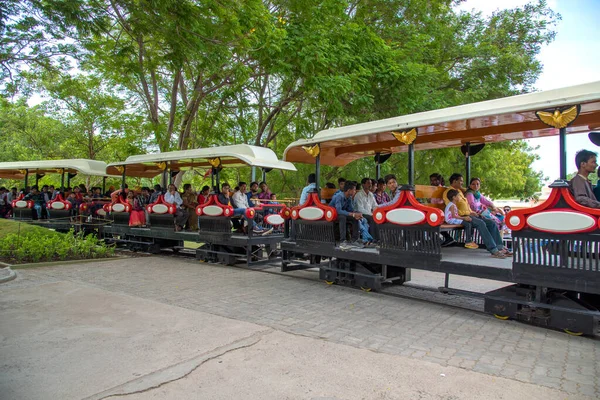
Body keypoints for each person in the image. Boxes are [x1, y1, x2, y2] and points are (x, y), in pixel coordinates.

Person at [443, 173, 511, 258]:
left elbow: (468, 204)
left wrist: (473, 212)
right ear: (454, 181)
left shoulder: (459, 191)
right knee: (480, 223)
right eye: (460, 181)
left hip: (470, 214)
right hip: (463, 217)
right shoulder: (448, 192)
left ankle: (500, 247)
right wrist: (465, 216)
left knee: (491, 222)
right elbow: (451, 208)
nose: (462, 183)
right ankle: (494, 250)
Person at [330, 182, 375, 248]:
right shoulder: (339, 196)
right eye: (354, 189)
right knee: (343, 217)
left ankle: (355, 239)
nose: (355, 191)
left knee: (355, 218)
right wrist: (353, 214)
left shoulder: (349, 198)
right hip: (333, 215)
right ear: (349, 190)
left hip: (343, 214)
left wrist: (357, 214)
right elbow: (338, 211)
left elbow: (351, 209)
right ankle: (342, 241)